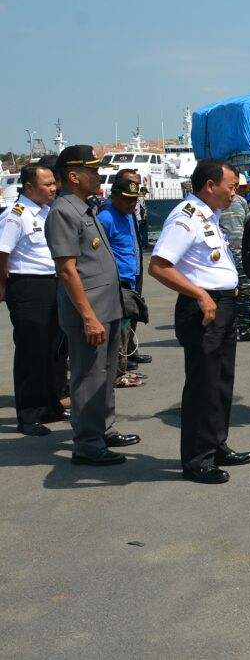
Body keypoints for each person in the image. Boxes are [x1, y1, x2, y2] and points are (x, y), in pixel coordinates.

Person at [149, 160, 250, 484]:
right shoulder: (186, 218)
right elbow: (159, 265)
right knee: (202, 386)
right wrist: (199, 294)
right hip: (203, 309)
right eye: (231, 186)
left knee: (221, 382)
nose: (234, 192)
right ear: (210, 186)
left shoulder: (211, 217)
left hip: (224, 304)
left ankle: (216, 445)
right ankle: (196, 461)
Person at [45, 145, 140, 465]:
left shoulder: (84, 207)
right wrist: (87, 317)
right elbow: (67, 269)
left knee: (106, 372)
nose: (98, 175)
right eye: (93, 171)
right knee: (88, 376)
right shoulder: (63, 211)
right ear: (73, 175)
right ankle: (87, 444)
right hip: (90, 311)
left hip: (107, 307)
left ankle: (103, 428)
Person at [0, 164, 68, 436]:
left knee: (55, 350)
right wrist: (3, 287)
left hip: (53, 284)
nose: (54, 188)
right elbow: (2, 254)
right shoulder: (16, 215)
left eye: (54, 183)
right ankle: (28, 415)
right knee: (32, 352)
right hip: (28, 286)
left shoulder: (48, 212)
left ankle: (50, 405)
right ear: (29, 187)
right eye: (47, 184)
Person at [98, 175, 146, 388]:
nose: (131, 204)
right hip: (115, 284)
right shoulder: (106, 218)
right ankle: (116, 374)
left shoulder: (129, 215)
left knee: (125, 328)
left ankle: (121, 369)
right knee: (117, 332)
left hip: (130, 281)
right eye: (127, 199)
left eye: (134, 199)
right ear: (114, 196)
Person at [219, 173, 250, 342]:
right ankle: (226, 330)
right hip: (222, 258)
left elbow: (249, 227)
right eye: (235, 186)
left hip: (242, 255)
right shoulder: (216, 204)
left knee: (245, 292)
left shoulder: (242, 203)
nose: (239, 190)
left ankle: (246, 329)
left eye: (241, 187)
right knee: (224, 295)